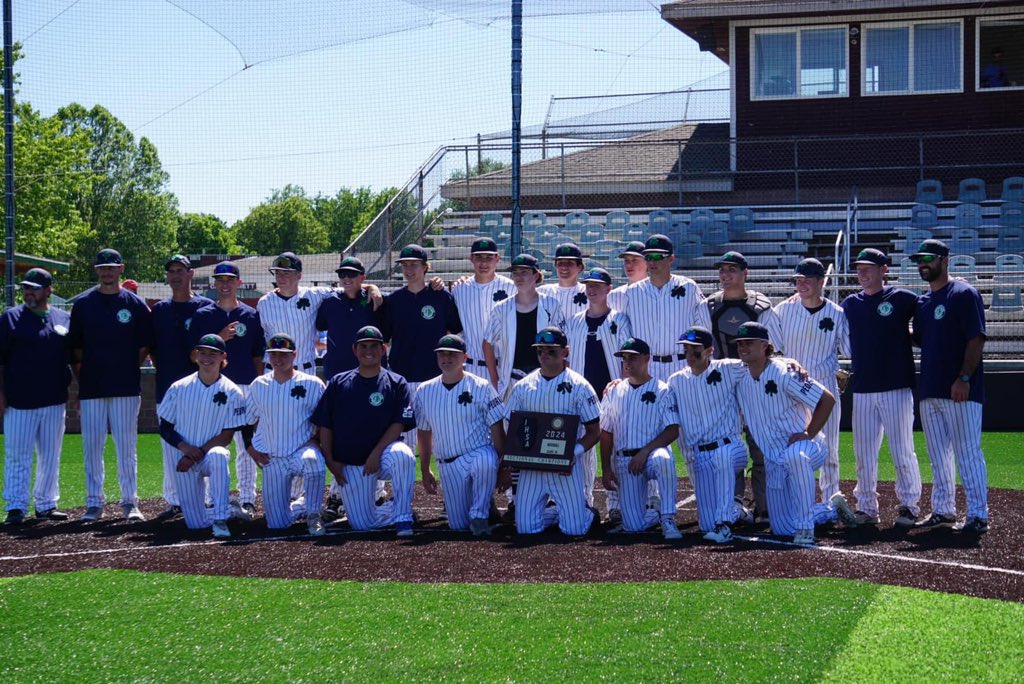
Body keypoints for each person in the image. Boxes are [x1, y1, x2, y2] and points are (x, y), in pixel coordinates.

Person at [732, 323, 838, 545]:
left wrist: (809, 433)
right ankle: (831, 508)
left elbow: (827, 399)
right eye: (740, 343)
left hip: (808, 446)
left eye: (749, 343)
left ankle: (806, 528)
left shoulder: (786, 372)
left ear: (765, 346)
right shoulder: (738, 375)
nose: (743, 347)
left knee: (795, 456)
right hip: (773, 457)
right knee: (782, 527)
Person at [910, 239, 989, 534]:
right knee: (938, 455)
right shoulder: (922, 302)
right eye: (919, 259)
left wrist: (964, 378)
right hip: (930, 389)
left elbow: (976, 338)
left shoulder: (964, 293)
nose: (923, 264)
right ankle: (943, 510)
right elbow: (920, 339)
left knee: (968, 452)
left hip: (961, 390)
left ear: (945, 260)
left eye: (928, 258)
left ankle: (978, 514)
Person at [69, 248, 153, 522]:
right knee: (92, 447)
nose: (107, 271)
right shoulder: (83, 304)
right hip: (92, 388)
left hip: (126, 388)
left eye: (112, 267)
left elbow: (144, 346)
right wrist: (86, 378)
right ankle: (94, 503)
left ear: (121, 269)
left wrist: (125, 368)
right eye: (102, 267)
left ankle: (130, 502)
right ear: (97, 270)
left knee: (126, 447)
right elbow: (77, 350)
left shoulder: (135, 304)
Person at [841, 248, 922, 527]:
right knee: (863, 452)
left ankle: (909, 505)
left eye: (869, 268)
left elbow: (926, 321)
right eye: (859, 268)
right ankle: (866, 507)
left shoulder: (902, 298)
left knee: (902, 449)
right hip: (863, 388)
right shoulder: (850, 303)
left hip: (896, 386)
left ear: (883, 269)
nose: (862, 274)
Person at [312, 326, 417, 537]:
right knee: (362, 524)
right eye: (363, 346)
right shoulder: (338, 383)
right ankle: (394, 509)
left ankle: (403, 517)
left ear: (383, 349)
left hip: (383, 456)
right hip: (351, 462)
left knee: (403, 455)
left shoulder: (397, 382)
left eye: (374, 346)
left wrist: (376, 454)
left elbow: (399, 423)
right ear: (354, 350)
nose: (369, 351)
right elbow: (325, 425)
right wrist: (331, 461)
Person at [772, 258, 854, 524]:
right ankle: (794, 501)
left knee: (829, 448)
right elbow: (772, 350)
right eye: (798, 280)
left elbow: (849, 350)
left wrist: (842, 369)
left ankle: (831, 502)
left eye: (808, 280)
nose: (802, 284)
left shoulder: (836, 313)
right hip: (792, 387)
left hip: (825, 388)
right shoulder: (783, 311)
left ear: (822, 282)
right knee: (793, 444)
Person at [503, 326, 601, 536]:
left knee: (574, 530)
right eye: (540, 350)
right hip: (532, 468)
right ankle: (559, 511)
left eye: (551, 350)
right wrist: (510, 463)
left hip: (564, 467)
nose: (544, 355)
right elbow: (512, 428)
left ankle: (587, 513)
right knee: (526, 529)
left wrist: (572, 453)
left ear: (565, 352)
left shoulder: (580, 386)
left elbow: (594, 431)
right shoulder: (522, 387)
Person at [706, 250, 781, 522]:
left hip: (755, 383)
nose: (726, 276)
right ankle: (733, 503)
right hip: (724, 387)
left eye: (732, 270)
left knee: (760, 444)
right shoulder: (710, 305)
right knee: (728, 445)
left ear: (744, 273)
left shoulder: (761, 305)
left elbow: (776, 346)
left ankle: (765, 506)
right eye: (722, 270)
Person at [191, 260, 266, 519]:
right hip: (213, 387)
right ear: (215, 283)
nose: (224, 284)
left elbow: (258, 357)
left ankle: (247, 498)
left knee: (246, 446)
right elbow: (193, 355)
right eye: (220, 280)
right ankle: (214, 498)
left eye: (229, 279)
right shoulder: (203, 314)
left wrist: (257, 390)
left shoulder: (250, 314)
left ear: (238, 283)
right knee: (214, 446)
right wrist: (220, 335)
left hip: (244, 385)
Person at [414, 334, 505, 536]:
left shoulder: (481, 386)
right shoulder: (424, 391)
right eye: (442, 354)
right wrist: (425, 467)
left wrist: (503, 464)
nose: (446, 358)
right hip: (448, 463)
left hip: (477, 454)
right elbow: (424, 431)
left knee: (485, 460)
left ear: (465, 358)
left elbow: (497, 427)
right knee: (458, 526)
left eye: (452, 354)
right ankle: (483, 506)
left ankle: (481, 514)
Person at [666, 327, 751, 544]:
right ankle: (737, 512)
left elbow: (760, 361)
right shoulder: (676, 381)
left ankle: (725, 525)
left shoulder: (729, 368)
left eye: (695, 350)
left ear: (709, 350)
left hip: (731, 446)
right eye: (686, 350)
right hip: (701, 454)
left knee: (722, 456)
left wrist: (791, 364)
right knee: (705, 524)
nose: (689, 356)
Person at [0, 269, 72, 525]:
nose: (28, 292)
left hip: (54, 400)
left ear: (48, 289)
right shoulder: (10, 318)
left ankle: (46, 504)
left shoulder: (62, 317)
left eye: (35, 287)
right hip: (19, 402)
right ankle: (16, 507)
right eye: (26, 287)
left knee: (50, 455)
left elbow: (72, 358)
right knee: (17, 455)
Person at [157, 334, 246, 539]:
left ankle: (221, 518)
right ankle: (231, 510)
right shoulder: (179, 387)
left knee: (218, 455)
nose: (207, 358)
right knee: (195, 524)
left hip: (208, 455)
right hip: (183, 455)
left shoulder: (233, 391)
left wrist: (195, 454)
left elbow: (227, 436)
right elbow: (165, 427)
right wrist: (186, 450)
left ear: (223, 356)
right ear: (196, 355)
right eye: (202, 352)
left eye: (213, 353)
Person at [149, 254, 213, 521]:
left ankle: (206, 498)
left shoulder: (205, 307)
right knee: (170, 446)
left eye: (180, 270)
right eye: (171, 271)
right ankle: (174, 500)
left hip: (201, 389)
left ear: (190, 274)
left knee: (202, 443)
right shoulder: (159, 310)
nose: (175, 275)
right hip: (167, 387)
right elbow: (152, 349)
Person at [378, 244, 463, 444]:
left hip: (435, 378)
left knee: (441, 439)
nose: (409, 270)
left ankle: (434, 475)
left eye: (414, 265)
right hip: (403, 378)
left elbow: (454, 329)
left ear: (425, 267)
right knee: (405, 440)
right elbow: (385, 338)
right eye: (405, 265)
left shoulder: (441, 296)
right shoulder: (394, 301)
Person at [244, 333, 327, 536]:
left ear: (295, 355)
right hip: (271, 457)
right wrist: (250, 448)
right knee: (277, 524)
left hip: (300, 451)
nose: (279, 359)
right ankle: (302, 506)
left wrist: (316, 441)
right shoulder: (258, 385)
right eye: (274, 354)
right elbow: (246, 421)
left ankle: (313, 515)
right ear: (268, 357)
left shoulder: (313, 384)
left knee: (313, 461)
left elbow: (325, 420)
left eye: (284, 354)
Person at [599, 337, 681, 540]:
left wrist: (645, 452)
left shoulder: (662, 390)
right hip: (626, 461)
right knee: (633, 526)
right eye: (625, 358)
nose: (628, 362)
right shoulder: (613, 391)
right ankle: (655, 512)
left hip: (651, 455)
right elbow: (606, 432)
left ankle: (668, 518)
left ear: (647, 358)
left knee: (664, 458)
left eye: (633, 358)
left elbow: (672, 430)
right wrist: (607, 468)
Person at [564, 266, 630, 507]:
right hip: (582, 394)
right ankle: (585, 503)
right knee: (583, 451)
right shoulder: (573, 322)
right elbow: (567, 360)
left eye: (597, 286)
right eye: (589, 285)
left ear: (608, 289)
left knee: (615, 447)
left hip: (612, 391)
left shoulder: (619, 319)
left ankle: (615, 505)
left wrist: (623, 384)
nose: (592, 290)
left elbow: (626, 357)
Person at [620, 234, 711, 382]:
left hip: (683, 364)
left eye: (658, 256)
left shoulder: (689, 287)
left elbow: (704, 328)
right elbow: (625, 332)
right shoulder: (632, 292)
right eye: (648, 257)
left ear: (671, 258)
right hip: (646, 367)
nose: (652, 261)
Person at [483, 254, 564, 399]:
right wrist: (495, 379)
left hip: (546, 377)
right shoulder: (501, 308)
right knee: (514, 421)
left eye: (524, 272)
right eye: (515, 273)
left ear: (536, 275)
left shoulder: (551, 305)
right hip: (512, 378)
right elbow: (487, 343)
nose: (519, 277)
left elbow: (562, 343)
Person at [450, 237, 515, 381]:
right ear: (471, 258)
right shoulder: (459, 289)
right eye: (478, 257)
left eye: (489, 257)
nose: (483, 262)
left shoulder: (512, 288)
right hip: (471, 368)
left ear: (497, 258)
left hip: (505, 367)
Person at [315, 255, 383, 381]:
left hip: (370, 373)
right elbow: (321, 325)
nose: (346, 278)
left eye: (352, 274)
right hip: (337, 374)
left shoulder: (374, 299)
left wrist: (373, 287)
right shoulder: (329, 301)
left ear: (363, 277)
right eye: (342, 274)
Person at [537, 242, 588, 321]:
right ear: (555, 266)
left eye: (569, 263)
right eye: (560, 263)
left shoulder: (589, 292)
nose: (564, 267)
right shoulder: (542, 291)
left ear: (579, 267)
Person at [606, 241, 647, 312]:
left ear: (647, 262)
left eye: (634, 260)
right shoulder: (613, 296)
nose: (629, 265)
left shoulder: (657, 293)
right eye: (626, 260)